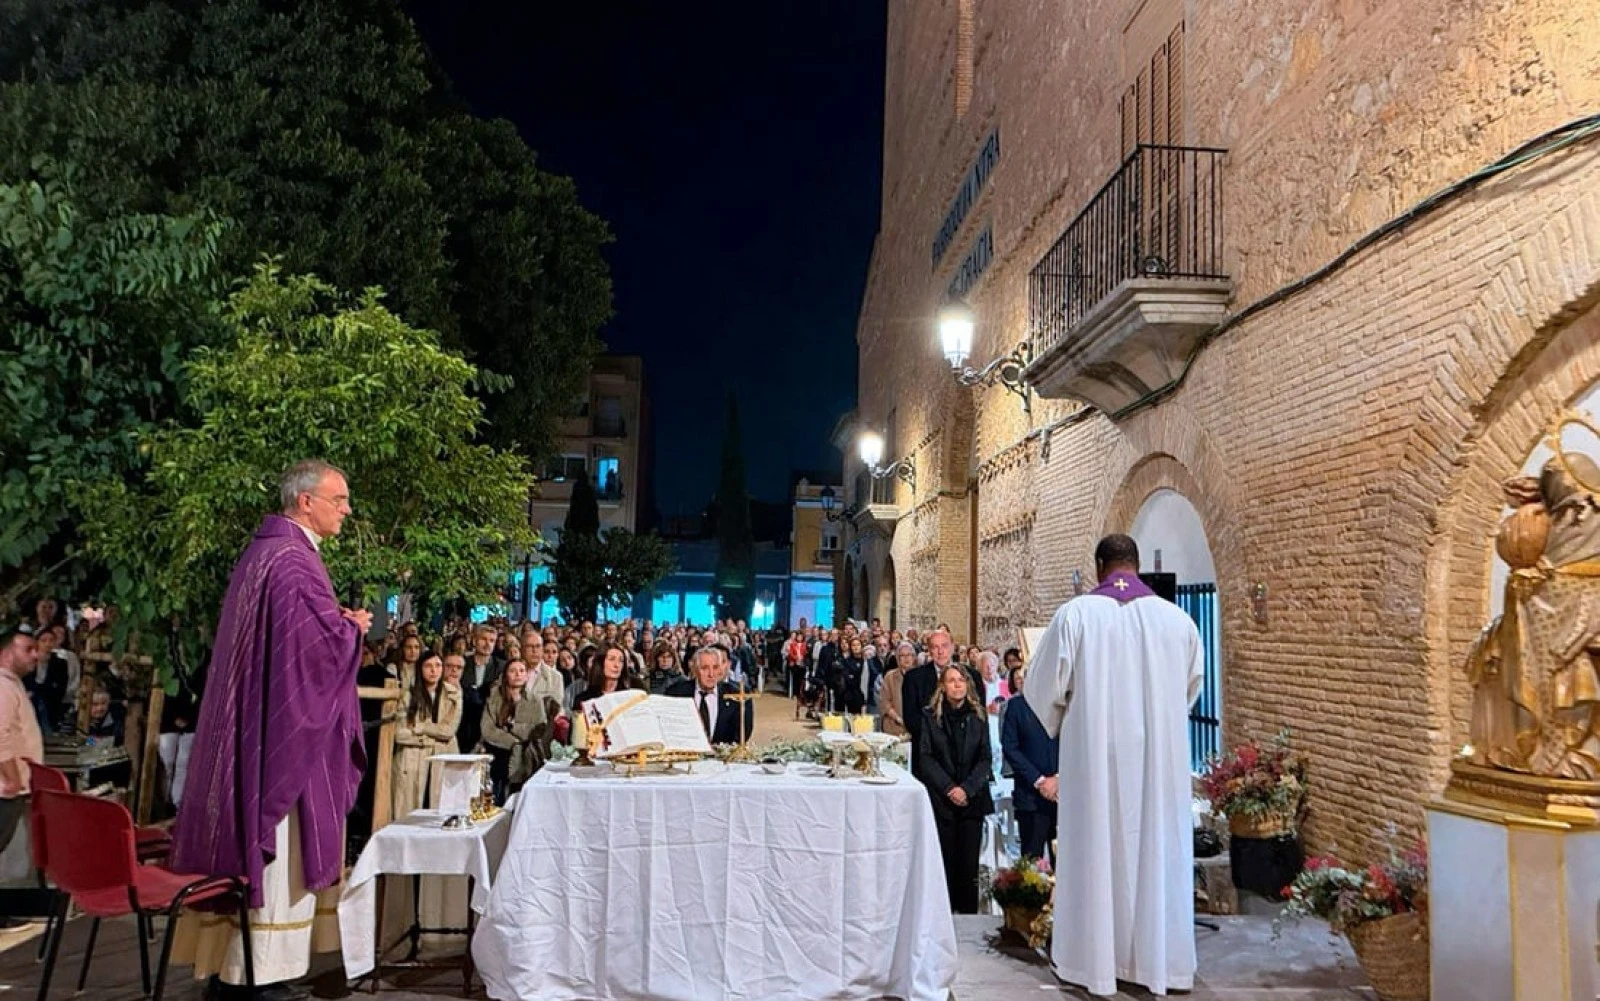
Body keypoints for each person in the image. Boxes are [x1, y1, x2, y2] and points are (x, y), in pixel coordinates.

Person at [169, 460, 370, 1001]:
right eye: (340, 499)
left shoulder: (268, 552)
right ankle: (264, 976)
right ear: (305, 501)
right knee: (281, 859)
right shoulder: (293, 561)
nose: (347, 510)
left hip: (257, 726)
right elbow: (313, 653)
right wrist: (349, 630)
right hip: (282, 746)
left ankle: (240, 973)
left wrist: (336, 626)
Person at [1023, 534, 1203, 997]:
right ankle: (1159, 963)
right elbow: (1188, 693)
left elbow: (1043, 695)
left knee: (1096, 852)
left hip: (1094, 763)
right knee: (1154, 854)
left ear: (1100, 565)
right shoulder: (1179, 621)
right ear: (1136, 566)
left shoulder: (1075, 616)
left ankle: (1094, 963)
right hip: (1156, 767)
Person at [913, 664, 993, 914]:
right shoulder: (930, 716)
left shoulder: (979, 716)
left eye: (961, 680)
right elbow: (925, 758)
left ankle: (968, 922)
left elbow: (985, 759)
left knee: (968, 868)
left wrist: (966, 790)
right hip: (942, 802)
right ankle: (943, 921)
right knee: (944, 864)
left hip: (972, 801)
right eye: (951, 680)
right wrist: (949, 788)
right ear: (942, 687)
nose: (957, 684)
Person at [392, 651, 461, 820]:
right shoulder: (408, 696)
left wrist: (421, 727)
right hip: (412, 760)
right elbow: (400, 734)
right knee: (409, 812)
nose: (434, 670)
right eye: (428, 666)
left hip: (443, 758)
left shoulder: (453, 694)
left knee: (440, 811)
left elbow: (448, 731)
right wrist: (428, 739)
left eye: (438, 666)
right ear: (420, 668)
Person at [1000, 663, 1059, 862]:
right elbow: (1010, 747)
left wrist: (1057, 779)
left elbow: (1076, 743)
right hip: (1030, 796)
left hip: (1063, 796)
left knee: (1067, 863)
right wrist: (1040, 780)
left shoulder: (1065, 705)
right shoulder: (1016, 707)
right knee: (1031, 866)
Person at [900, 629, 985, 750]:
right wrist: (939, 739)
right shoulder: (914, 678)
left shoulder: (973, 676)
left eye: (944, 646)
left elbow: (979, 714)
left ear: (952, 647)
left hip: (966, 749)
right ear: (929, 650)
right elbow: (911, 719)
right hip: (928, 750)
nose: (940, 651)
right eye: (935, 647)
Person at [479, 659, 547, 803]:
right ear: (505, 675)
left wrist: (512, 727)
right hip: (498, 753)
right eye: (512, 671)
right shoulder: (494, 699)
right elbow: (487, 729)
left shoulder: (535, 701)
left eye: (521, 671)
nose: (518, 674)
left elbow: (538, 729)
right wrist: (513, 741)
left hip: (527, 755)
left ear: (527, 675)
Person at [665, 647, 755, 745]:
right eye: (705, 668)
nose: (711, 674)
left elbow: (742, 735)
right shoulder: (676, 694)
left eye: (715, 667)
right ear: (695, 670)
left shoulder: (736, 696)